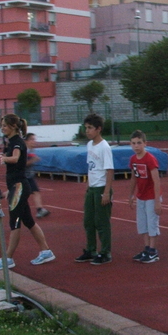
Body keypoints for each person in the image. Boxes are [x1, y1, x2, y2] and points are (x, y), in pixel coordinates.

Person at [0, 114, 55, 269]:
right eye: (2, 125)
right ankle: (46, 251)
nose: (2, 128)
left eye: (5, 125)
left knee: (15, 223)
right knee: (29, 221)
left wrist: (5, 158)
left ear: (13, 126)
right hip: (17, 187)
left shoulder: (17, 143)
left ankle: (8, 258)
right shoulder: (11, 142)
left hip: (19, 188)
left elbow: (15, 158)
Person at [74, 113, 114, 266]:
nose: (87, 131)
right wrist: (88, 184)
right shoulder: (90, 145)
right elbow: (91, 167)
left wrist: (106, 192)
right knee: (88, 221)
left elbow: (109, 170)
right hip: (92, 188)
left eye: (90, 128)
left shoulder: (104, 147)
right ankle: (91, 250)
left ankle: (105, 252)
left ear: (98, 129)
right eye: (86, 128)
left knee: (102, 222)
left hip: (101, 188)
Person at [128, 130, 162, 263]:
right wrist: (131, 195)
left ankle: (153, 250)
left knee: (151, 223)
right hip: (141, 196)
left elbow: (156, 180)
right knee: (142, 223)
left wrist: (157, 201)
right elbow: (133, 178)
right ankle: (146, 248)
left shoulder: (150, 159)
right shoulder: (133, 159)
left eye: (139, 143)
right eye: (133, 143)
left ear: (144, 144)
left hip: (151, 196)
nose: (136, 146)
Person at [25, 133, 50, 218]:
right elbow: (23, 164)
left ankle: (39, 210)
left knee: (36, 192)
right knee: (15, 193)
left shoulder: (31, 150)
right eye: (32, 139)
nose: (34, 141)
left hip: (29, 176)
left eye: (34, 139)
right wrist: (33, 160)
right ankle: (1, 196)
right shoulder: (25, 151)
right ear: (26, 141)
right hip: (23, 176)